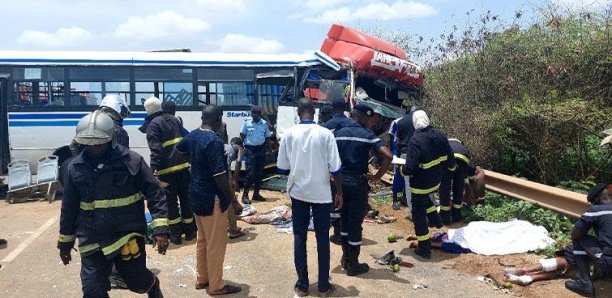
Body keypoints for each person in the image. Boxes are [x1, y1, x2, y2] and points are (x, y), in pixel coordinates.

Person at [58, 111, 169, 298]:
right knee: (93, 291)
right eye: (89, 142)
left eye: (99, 142)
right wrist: (65, 243)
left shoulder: (132, 161)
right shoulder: (75, 168)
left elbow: (155, 193)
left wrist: (161, 230)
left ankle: (152, 285)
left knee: (137, 282)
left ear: (110, 139)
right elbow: (69, 207)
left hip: (126, 235)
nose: (94, 147)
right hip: (91, 238)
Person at [277, 98, 343, 297]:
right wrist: (339, 192)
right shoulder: (326, 134)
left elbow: (282, 168)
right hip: (322, 193)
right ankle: (323, 286)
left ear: (298, 113)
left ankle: (303, 285)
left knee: (300, 236)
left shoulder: (288, 134)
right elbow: (336, 168)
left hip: (298, 193)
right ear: (313, 113)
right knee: (322, 237)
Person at [175, 105, 242, 295]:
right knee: (216, 244)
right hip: (212, 199)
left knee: (202, 240)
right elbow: (220, 176)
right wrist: (232, 200)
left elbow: (180, 149)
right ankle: (216, 286)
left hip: (195, 195)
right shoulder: (213, 141)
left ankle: (202, 279)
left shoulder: (194, 135)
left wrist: (196, 161)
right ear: (219, 119)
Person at [502, 183, 612, 295]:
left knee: (575, 246)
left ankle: (528, 272)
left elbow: (575, 235)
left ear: (597, 200)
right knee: (565, 266)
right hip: (601, 267)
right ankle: (529, 276)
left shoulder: (596, 210)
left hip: (606, 262)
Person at [335, 104, 393, 276]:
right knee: (355, 224)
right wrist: (377, 176)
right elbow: (388, 156)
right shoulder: (368, 136)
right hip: (357, 183)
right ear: (360, 117)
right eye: (369, 119)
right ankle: (353, 264)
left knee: (344, 221)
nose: (371, 123)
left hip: (340, 183)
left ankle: (345, 259)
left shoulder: (338, 134)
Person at [400, 110, 455, 259]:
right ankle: (436, 220)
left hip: (420, 184)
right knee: (426, 199)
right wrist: (448, 170)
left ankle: (424, 248)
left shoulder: (415, 140)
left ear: (414, 123)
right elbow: (450, 159)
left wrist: (402, 170)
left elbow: (411, 167)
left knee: (418, 215)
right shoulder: (441, 135)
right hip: (436, 181)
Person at [140, 96, 195, 245]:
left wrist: (151, 171)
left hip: (167, 172)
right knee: (186, 201)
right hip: (183, 168)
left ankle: (176, 236)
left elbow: (156, 150)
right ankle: (190, 232)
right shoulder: (174, 119)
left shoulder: (152, 125)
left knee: (171, 204)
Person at [439, 138, 479, 225]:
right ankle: (456, 216)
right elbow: (471, 166)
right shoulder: (463, 148)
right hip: (461, 164)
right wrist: (471, 178)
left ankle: (445, 218)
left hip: (447, 163)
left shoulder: (444, 143)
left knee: (445, 190)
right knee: (458, 189)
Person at [240, 105, 272, 204]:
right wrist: (242, 147)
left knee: (259, 173)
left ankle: (256, 194)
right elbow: (242, 135)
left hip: (261, 149)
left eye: (256, 113)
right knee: (251, 173)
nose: (254, 115)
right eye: (253, 113)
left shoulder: (264, 124)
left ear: (259, 114)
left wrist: (270, 150)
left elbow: (267, 137)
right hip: (250, 150)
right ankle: (245, 195)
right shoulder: (246, 123)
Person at [392, 103, 419, 213]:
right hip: (416, 154)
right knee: (413, 179)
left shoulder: (399, 121)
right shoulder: (420, 122)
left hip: (402, 153)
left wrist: (394, 154)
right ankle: (401, 199)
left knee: (400, 176)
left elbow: (395, 140)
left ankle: (398, 200)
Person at [225, 137, 246, 239]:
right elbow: (238, 162)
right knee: (228, 200)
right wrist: (234, 180)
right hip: (224, 172)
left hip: (214, 173)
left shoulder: (225, 146)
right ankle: (233, 229)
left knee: (219, 200)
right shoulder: (239, 148)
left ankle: (225, 225)